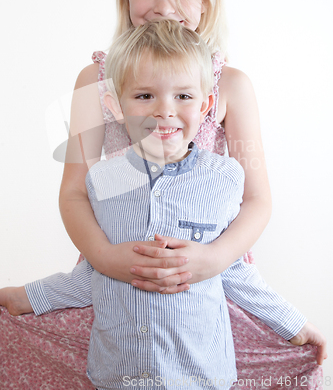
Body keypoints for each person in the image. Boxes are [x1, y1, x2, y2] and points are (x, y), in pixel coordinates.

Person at [0, 0, 326, 388]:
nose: (165, 7)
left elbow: (258, 200)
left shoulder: (231, 86)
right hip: (113, 264)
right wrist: (107, 258)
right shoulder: (92, 85)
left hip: (210, 267)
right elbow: (75, 193)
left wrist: (213, 260)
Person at [72, 19, 321, 389]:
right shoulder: (105, 181)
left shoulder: (219, 179)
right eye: (144, 96)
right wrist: (23, 297)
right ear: (116, 106)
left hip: (201, 374)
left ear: (206, 105)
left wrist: (293, 323)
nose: (164, 110)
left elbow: (237, 270)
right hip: (119, 372)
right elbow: (88, 274)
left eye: (183, 97)